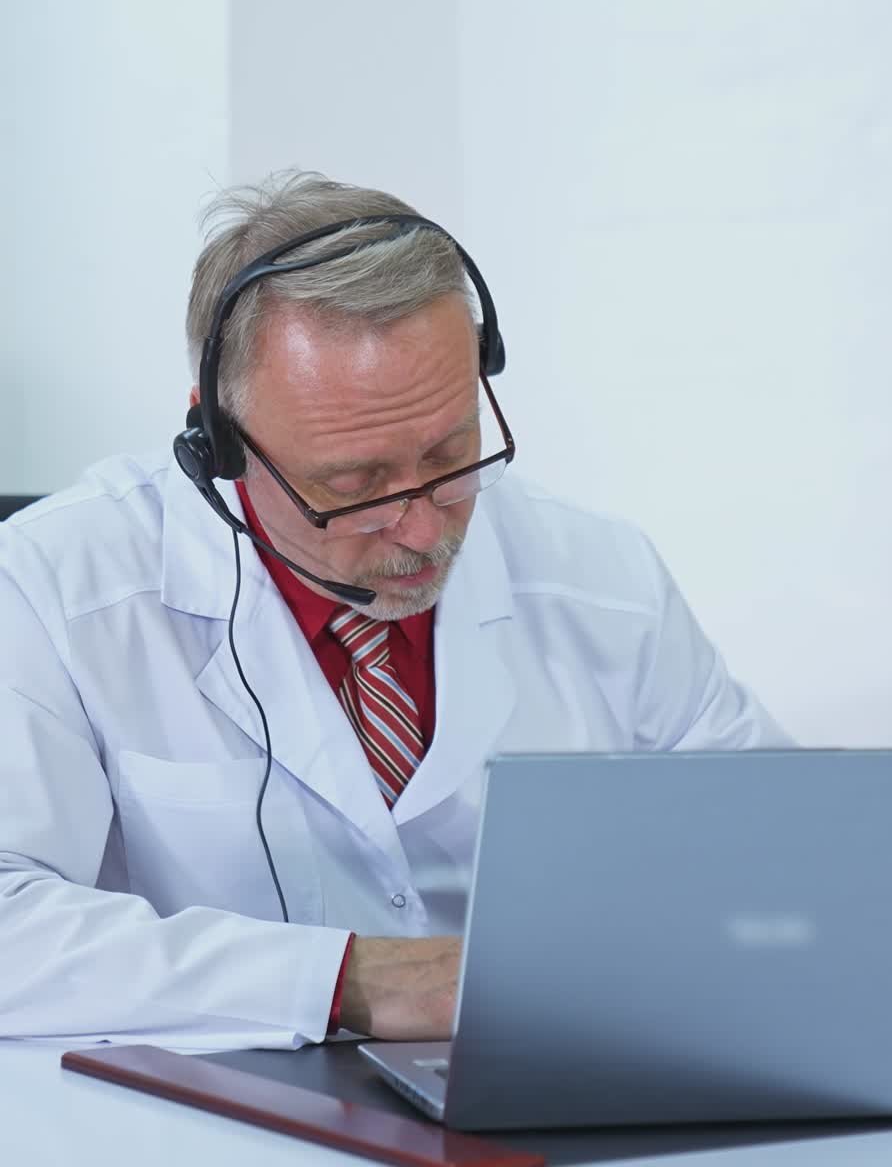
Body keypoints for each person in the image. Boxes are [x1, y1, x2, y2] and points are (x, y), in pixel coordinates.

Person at [0, 172, 789, 1049]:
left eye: (451, 454)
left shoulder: (599, 575)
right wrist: (349, 979)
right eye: (354, 483)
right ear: (214, 445)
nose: (419, 526)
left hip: (547, 1085)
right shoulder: (48, 588)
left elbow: (785, 854)